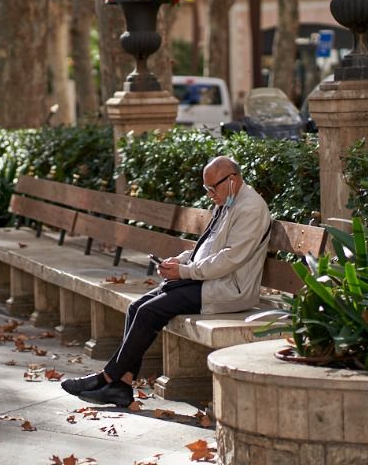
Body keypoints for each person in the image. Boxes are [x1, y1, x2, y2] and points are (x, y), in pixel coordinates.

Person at [61, 156, 272, 406]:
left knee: (149, 312)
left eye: (213, 188)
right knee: (136, 307)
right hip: (206, 280)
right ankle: (121, 386)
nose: (210, 194)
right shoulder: (227, 202)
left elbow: (229, 258)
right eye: (206, 188)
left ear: (233, 180)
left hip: (229, 289)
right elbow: (207, 248)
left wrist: (184, 271)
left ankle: (106, 377)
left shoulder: (250, 208)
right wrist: (180, 261)